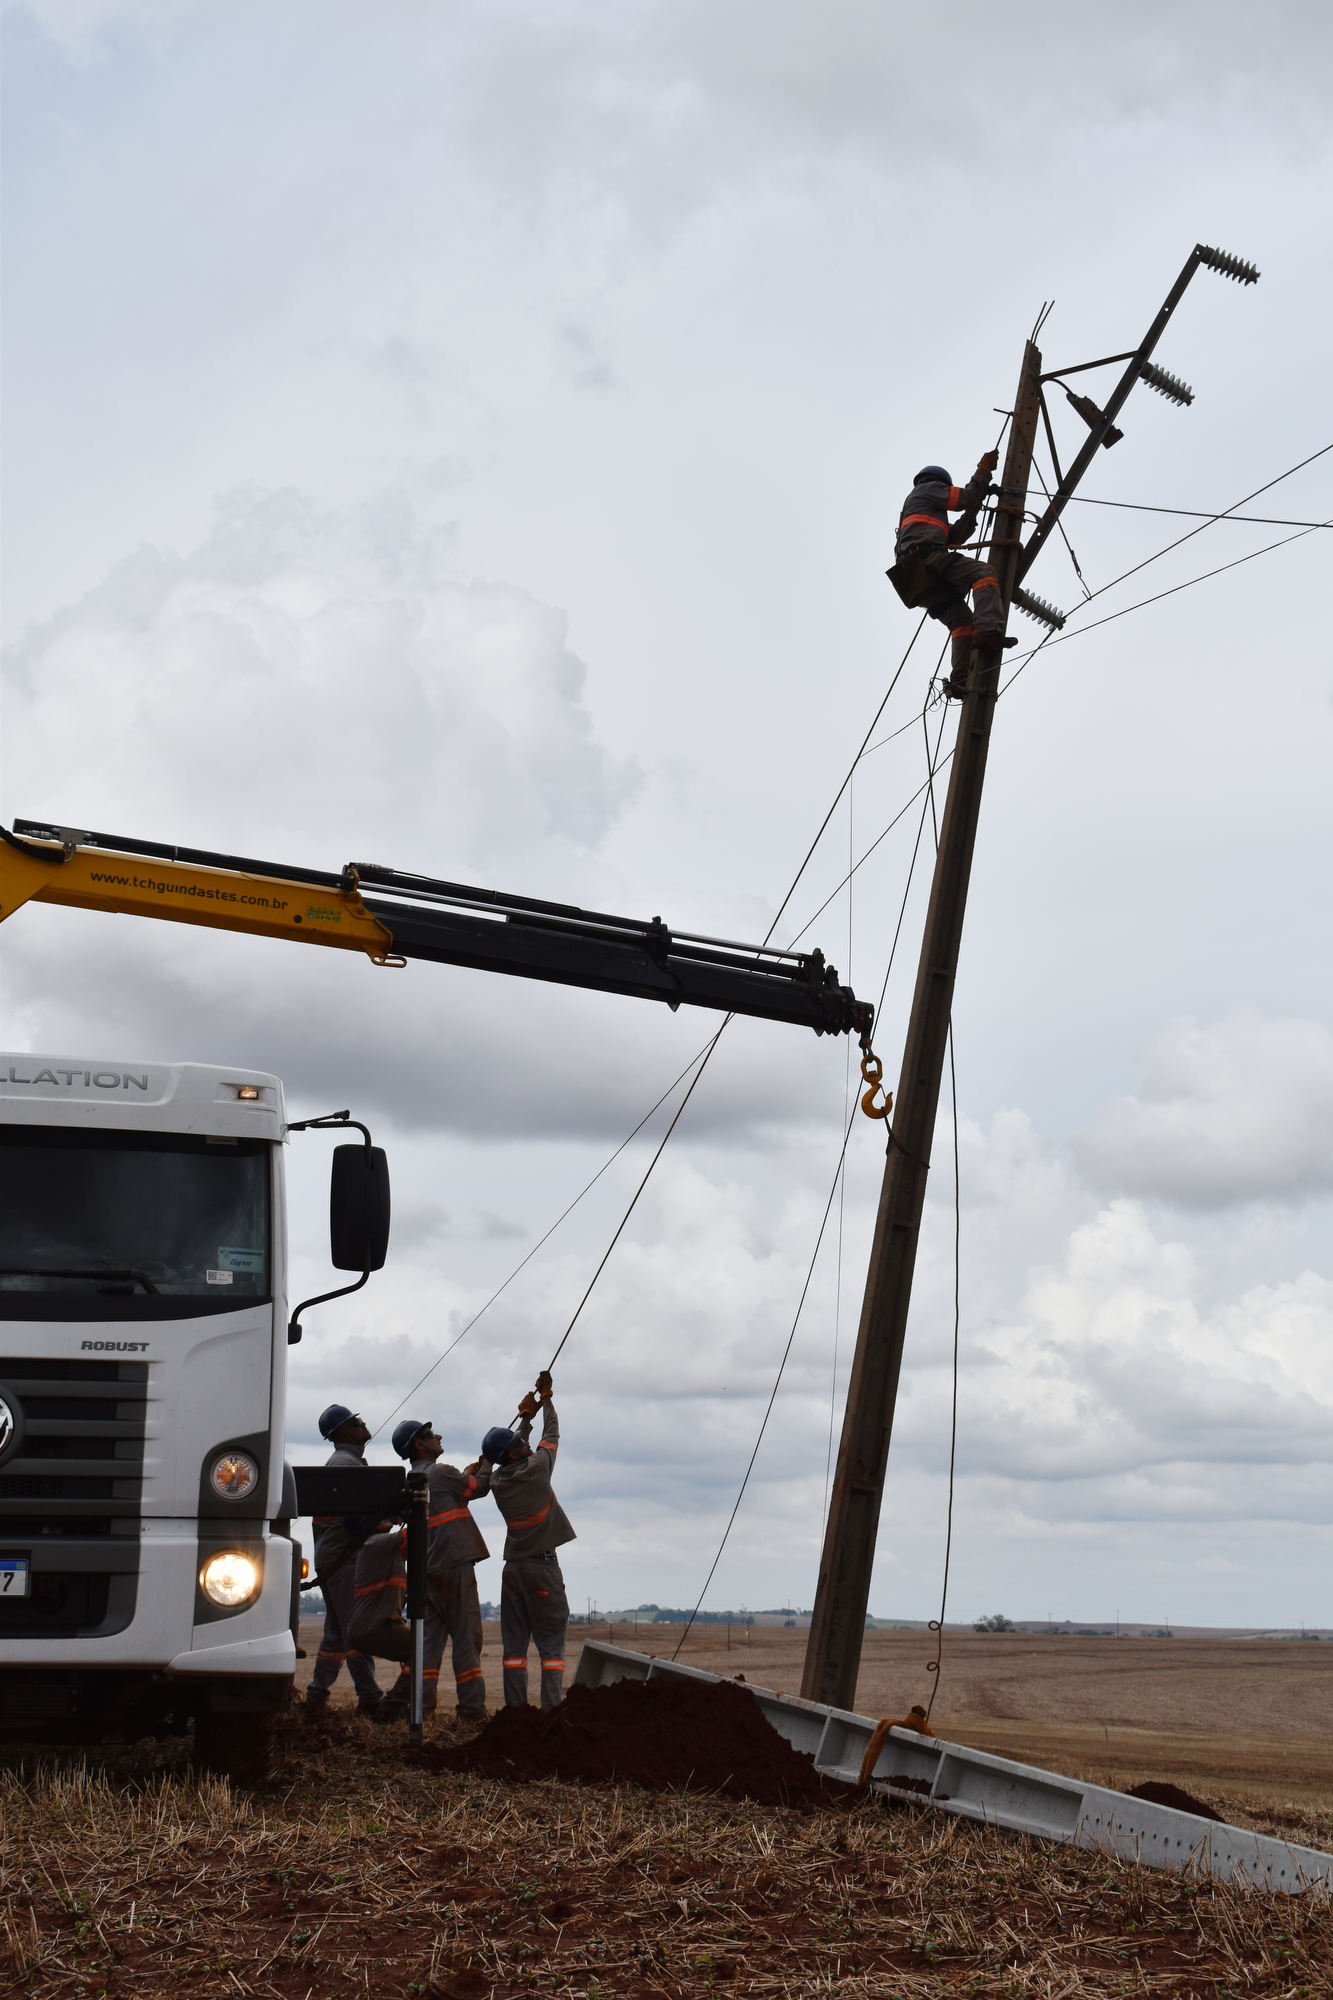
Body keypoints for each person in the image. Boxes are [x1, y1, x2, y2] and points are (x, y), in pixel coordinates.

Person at [377, 1419, 490, 1722]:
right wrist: (489, 1460)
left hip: (424, 1574)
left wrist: (466, 1473)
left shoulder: (411, 1481)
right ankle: (471, 1712)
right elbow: (478, 1489)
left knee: (427, 1648)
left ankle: (420, 1710)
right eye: (430, 1434)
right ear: (418, 1444)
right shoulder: (441, 1472)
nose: (438, 1435)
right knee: (467, 1640)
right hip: (455, 1567)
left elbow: (454, 1490)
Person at [483, 1370, 574, 1711]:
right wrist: (547, 1400)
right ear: (515, 1453)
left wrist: (524, 1420)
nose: (526, 1445)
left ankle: (516, 1713)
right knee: (551, 1648)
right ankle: (551, 1712)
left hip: (513, 1572)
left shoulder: (495, 1482)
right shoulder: (536, 1468)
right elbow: (553, 1435)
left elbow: (503, 1457)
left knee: (514, 1650)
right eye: (520, 1444)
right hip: (542, 1568)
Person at [891, 451, 1012, 696]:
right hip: (927, 561)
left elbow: (955, 536)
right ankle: (989, 630)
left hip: (916, 580)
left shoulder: (921, 513)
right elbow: (964, 498)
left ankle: (959, 682)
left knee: (962, 623)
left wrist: (975, 510)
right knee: (983, 573)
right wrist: (983, 470)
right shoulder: (926, 490)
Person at [305, 1404, 384, 1715]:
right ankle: (370, 1697)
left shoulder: (344, 1461)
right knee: (355, 1630)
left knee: (335, 1634)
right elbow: (354, 1521)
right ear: (341, 1432)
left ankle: (316, 1695)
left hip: (333, 1558)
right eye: (355, 1421)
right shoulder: (345, 1463)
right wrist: (385, 1522)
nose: (362, 1423)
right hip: (344, 1559)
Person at [345, 1520, 412, 1666]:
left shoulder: (385, 1550)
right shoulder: (375, 1543)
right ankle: (403, 1689)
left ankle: (406, 1687)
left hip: (373, 1627)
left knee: (417, 1648)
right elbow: (416, 1531)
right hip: (375, 1627)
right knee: (424, 1644)